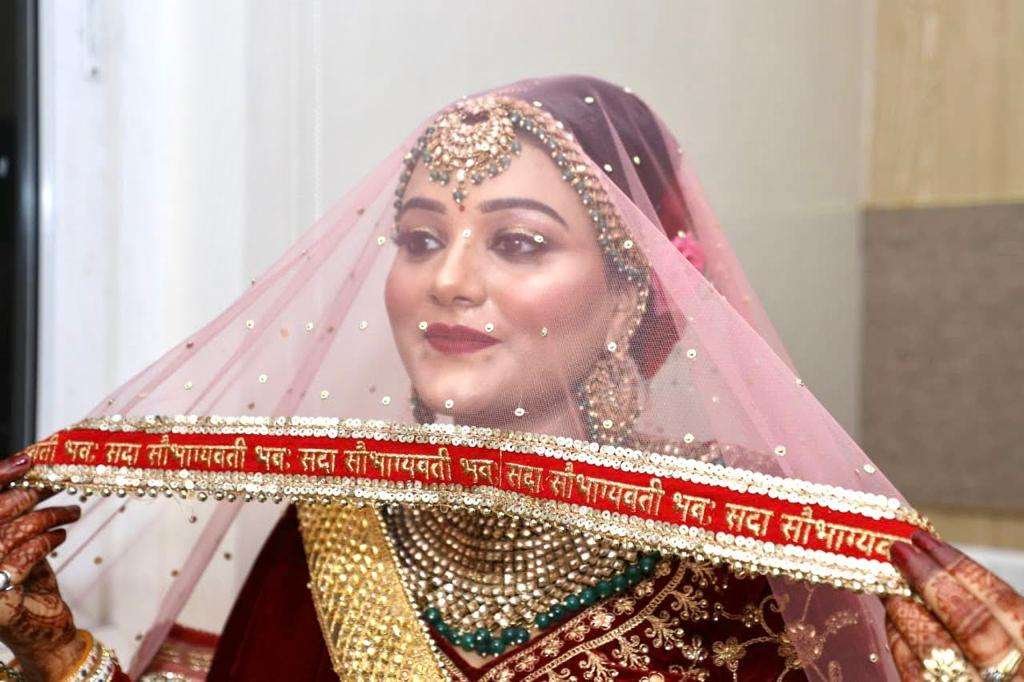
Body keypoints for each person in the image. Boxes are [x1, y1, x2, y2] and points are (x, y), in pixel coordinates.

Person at [0, 76, 1020, 681]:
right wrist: (59, 654)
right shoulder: (335, 529)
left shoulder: (753, 548)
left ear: (628, 296)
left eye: (519, 243)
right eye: (419, 239)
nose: (446, 281)